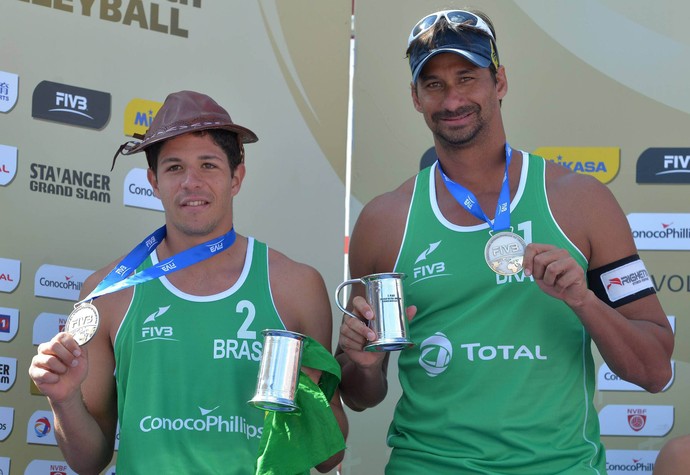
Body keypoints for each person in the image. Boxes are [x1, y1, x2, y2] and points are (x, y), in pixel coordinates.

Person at [336, 9, 674, 474]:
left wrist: (584, 302)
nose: (452, 99)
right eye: (433, 84)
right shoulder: (384, 221)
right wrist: (365, 366)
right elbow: (358, 395)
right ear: (415, 98)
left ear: (500, 82)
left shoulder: (582, 202)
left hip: (558, 466)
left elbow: (654, 371)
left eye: (467, 77)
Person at [29, 90, 347, 474]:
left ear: (237, 177)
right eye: (175, 167)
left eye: (208, 165)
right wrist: (63, 401)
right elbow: (89, 461)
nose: (191, 182)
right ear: (153, 181)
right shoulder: (108, 294)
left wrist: (312, 395)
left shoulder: (295, 286)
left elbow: (330, 457)